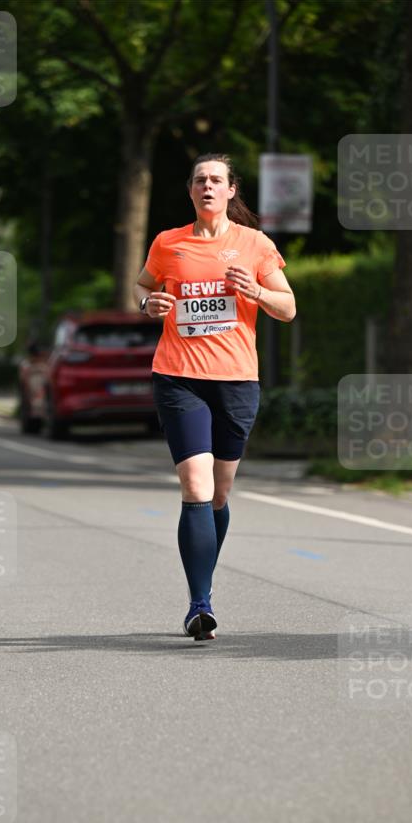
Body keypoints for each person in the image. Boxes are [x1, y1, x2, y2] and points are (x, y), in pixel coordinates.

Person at [134, 153, 295, 639]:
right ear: (191, 191)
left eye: (217, 180)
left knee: (220, 493)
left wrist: (257, 292)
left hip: (236, 380)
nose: (208, 186)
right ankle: (198, 604)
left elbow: (287, 308)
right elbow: (143, 288)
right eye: (200, 180)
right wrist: (148, 303)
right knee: (196, 486)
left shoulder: (254, 244)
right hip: (179, 377)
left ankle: (204, 581)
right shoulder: (168, 243)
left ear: (230, 191)